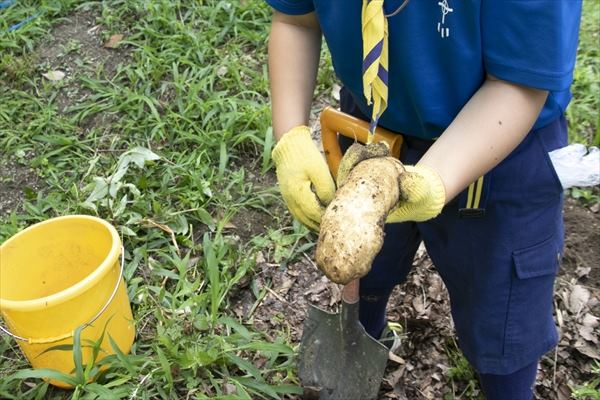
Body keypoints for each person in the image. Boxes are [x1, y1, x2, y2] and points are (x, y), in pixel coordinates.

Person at [265, 1, 583, 399]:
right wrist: (291, 138)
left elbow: (518, 84)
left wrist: (435, 180)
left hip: (502, 146)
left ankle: (508, 389)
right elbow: (296, 20)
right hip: (372, 127)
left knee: (500, 306)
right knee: (365, 264)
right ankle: (363, 337)